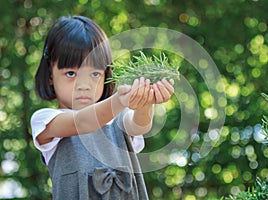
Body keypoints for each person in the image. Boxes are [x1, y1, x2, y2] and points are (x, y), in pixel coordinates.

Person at [30, 15, 174, 200]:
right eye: (71, 73)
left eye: (95, 74)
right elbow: (81, 122)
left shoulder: (118, 116)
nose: (84, 85)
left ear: (106, 75)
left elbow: (139, 125)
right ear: (50, 74)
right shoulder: (46, 120)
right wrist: (120, 100)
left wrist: (145, 101)